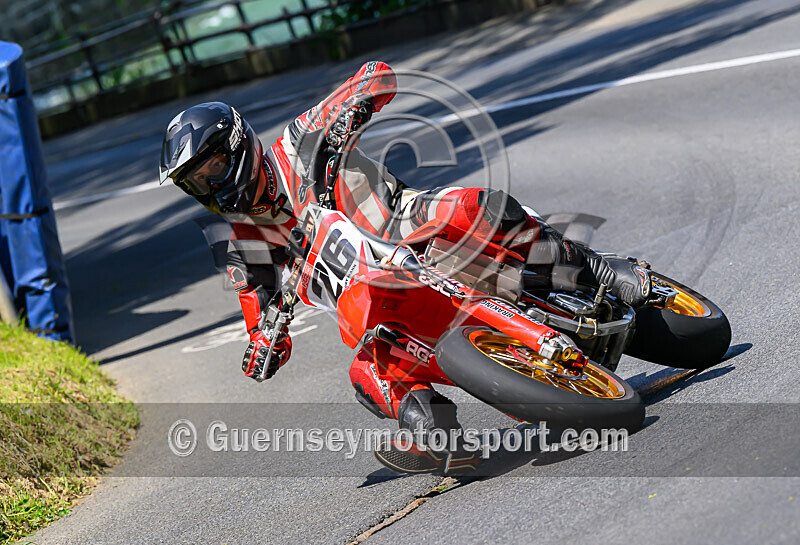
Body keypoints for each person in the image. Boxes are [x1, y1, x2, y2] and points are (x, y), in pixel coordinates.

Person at [159, 61, 652, 474]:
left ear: (238, 144)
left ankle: (596, 270)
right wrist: (263, 345)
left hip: (418, 230)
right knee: (364, 372)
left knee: (479, 207)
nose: (212, 188)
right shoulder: (246, 250)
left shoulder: (300, 142)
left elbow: (377, 75)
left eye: (214, 169)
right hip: (384, 300)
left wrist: (355, 108)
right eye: (197, 183)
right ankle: (432, 432)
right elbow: (260, 323)